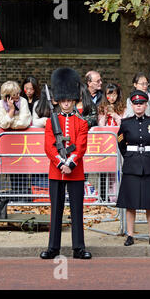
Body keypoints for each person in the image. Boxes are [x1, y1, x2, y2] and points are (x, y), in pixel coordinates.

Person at [40, 67, 92, 259]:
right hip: (56, 171)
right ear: (59, 101)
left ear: (73, 100)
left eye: (69, 100)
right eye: (63, 100)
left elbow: (81, 146)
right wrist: (61, 162)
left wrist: (70, 163)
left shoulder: (82, 123)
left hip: (75, 171)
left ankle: (78, 248)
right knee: (56, 211)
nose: (66, 104)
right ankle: (53, 248)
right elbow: (49, 147)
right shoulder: (50, 122)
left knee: (77, 210)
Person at [116, 89, 150, 247]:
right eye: (136, 103)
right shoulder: (125, 123)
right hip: (132, 165)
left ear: (146, 105)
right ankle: (130, 235)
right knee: (131, 203)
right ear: (132, 105)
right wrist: (130, 156)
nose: (139, 106)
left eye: (142, 103)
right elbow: (120, 142)